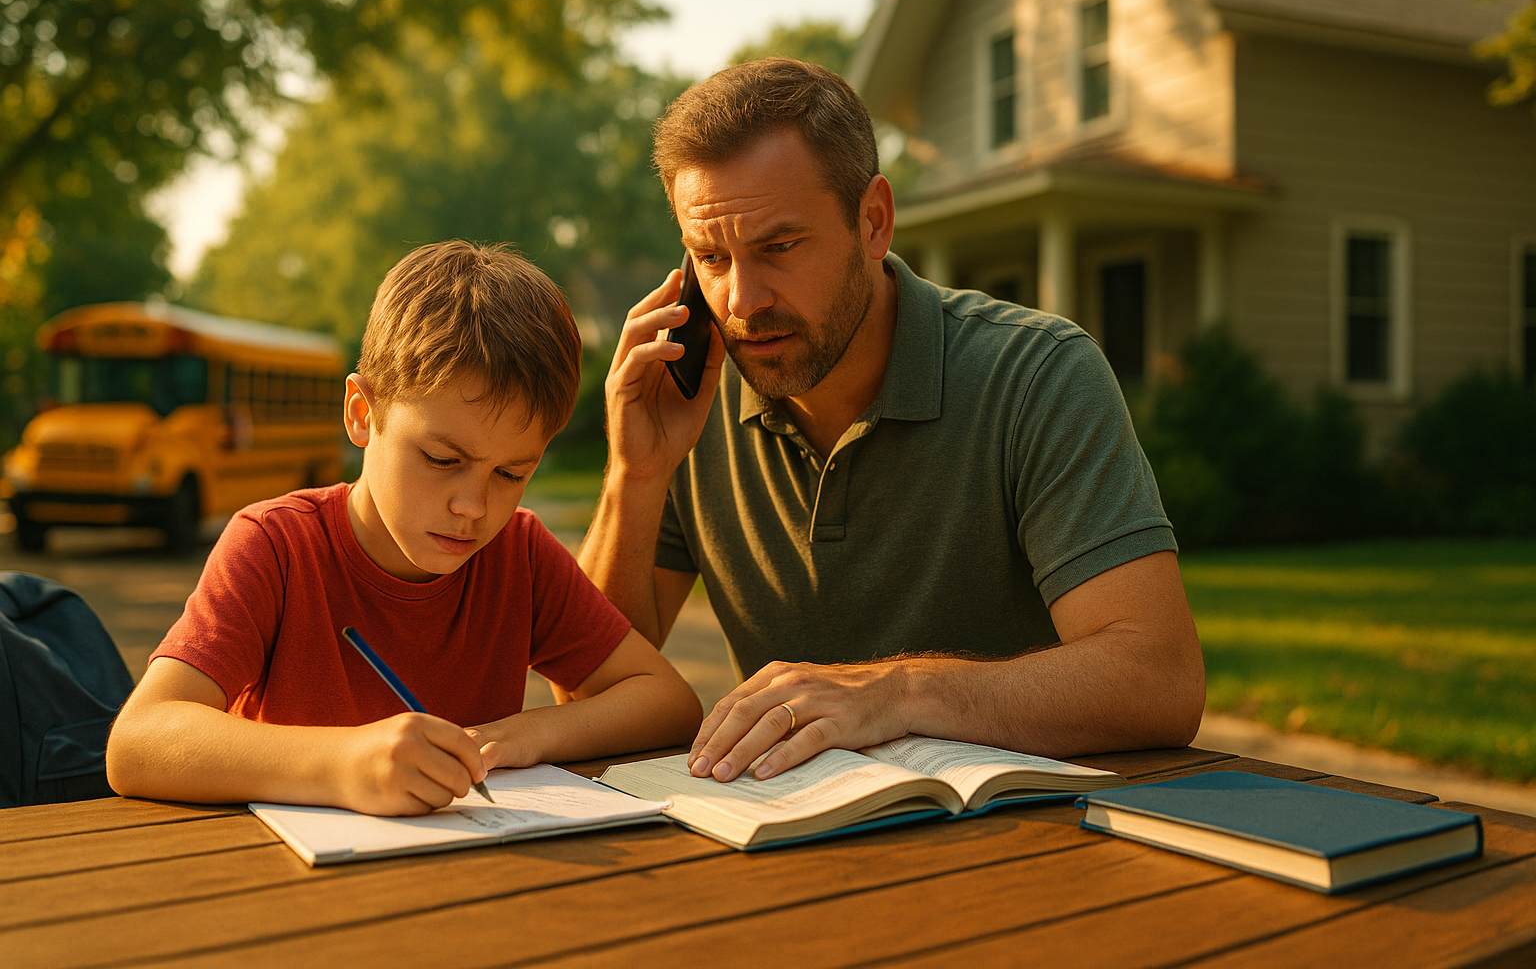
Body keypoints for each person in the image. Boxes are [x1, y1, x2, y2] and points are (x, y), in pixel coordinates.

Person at [579, 58, 1205, 785]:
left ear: (873, 221)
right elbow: (588, 695)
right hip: (790, 842)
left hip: (1029, 846)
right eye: (711, 257)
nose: (742, 300)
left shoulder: (1037, 373)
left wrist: (901, 693)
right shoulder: (690, 400)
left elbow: (1159, 680)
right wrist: (637, 471)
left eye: (779, 247)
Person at [107, 241, 702, 815]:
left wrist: (525, 736)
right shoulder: (275, 546)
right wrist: (343, 764)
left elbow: (668, 702)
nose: (472, 505)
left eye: (511, 472)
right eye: (443, 460)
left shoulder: (518, 552)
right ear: (363, 414)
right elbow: (138, 741)